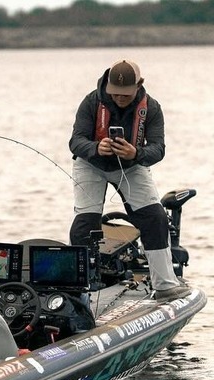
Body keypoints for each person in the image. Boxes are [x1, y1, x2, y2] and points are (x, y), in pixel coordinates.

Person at [68, 59, 190, 301]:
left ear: (139, 86)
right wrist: (95, 147)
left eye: (125, 95)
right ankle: (77, 290)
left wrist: (137, 153)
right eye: (115, 94)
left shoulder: (152, 108)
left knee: (155, 218)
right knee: (85, 225)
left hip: (132, 165)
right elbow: (75, 141)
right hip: (91, 164)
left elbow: (158, 148)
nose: (120, 99)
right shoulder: (92, 101)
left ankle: (165, 286)